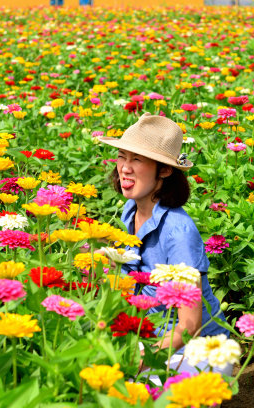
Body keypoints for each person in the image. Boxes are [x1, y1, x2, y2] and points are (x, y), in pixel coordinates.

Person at [99, 112, 231, 380]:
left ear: (165, 169)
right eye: (122, 156)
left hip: (196, 349)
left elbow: (190, 325)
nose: (124, 167)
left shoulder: (179, 232)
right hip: (148, 333)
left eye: (136, 159)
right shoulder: (130, 210)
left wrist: (144, 360)